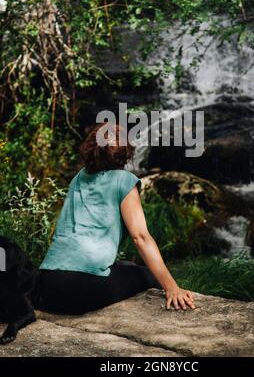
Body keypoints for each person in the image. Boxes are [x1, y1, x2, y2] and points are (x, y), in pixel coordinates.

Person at [38, 122, 196, 314]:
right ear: (125, 153)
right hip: (83, 289)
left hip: (48, 283)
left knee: (125, 266)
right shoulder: (125, 180)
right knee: (147, 276)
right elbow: (140, 237)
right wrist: (172, 287)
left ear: (91, 150)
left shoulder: (78, 178)